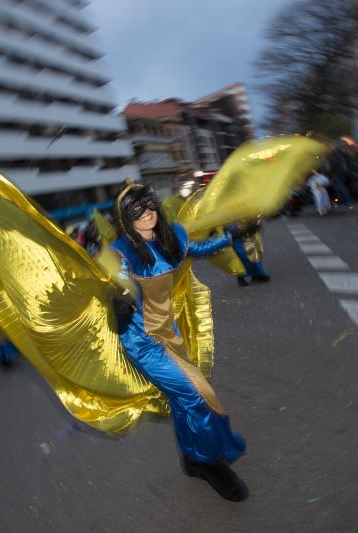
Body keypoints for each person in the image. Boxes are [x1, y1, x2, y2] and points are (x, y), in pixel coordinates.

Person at [110, 183, 248, 502]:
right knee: (198, 395)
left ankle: (192, 458)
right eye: (137, 211)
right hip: (142, 342)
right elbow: (116, 279)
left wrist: (230, 238)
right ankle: (210, 461)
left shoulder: (172, 236)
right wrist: (120, 297)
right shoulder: (120, 252)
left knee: (182, 400)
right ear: (125, 219)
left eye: (149, 206)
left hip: (169, 334)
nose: (146, 214)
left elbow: (196, 250)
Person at [225, 219, 269, 286]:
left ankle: (256, 275)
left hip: (245, 227)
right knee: (239, 255)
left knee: (253, 251)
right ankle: (241, 277)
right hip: (234, 229)